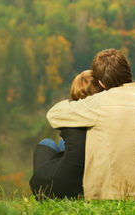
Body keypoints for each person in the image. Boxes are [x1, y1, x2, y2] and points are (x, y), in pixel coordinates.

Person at [47, 49, 135, 200]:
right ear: (129, 73)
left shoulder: (97, 103)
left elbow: (54, 114)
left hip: (109, 195)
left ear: (101, 83)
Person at [29, 70, 103, 200]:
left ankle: (42, 192)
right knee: (62, 144)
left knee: (48, 143)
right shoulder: (103, 115)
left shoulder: (72, 116)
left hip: (62, 184)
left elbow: (53, 114)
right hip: (86, 175)